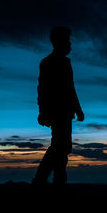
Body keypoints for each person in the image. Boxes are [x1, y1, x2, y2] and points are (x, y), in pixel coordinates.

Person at [32, 26, 84, 185]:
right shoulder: (49, 62)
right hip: (57, 112)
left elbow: (70, 87)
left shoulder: (62, 62)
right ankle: (41, 180)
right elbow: (43, 89)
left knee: (62, 148)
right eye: (67, 41)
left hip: (64, 112)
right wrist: (43, 111)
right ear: (58, 42)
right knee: (60, 147)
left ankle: (58, 181)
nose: (70, 45)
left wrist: (77, 108)